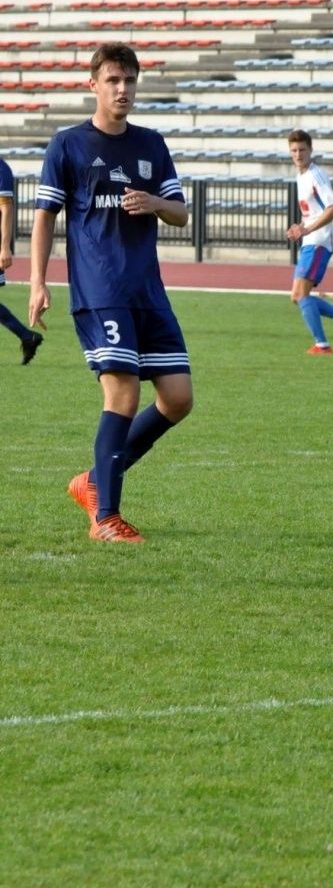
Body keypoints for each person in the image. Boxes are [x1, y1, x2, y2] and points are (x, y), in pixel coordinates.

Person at [29, 42, 195, 544]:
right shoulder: (68, 145)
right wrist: (38, 281)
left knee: (178, 399)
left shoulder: (151, 144)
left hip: (148, 289)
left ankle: (94, 483)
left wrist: (155, 202)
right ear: (94, 85)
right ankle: (106, 519)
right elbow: (44, 217)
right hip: (101, 290)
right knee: (123, 392)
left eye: (129, 81)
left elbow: (181, 213)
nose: (123, 90)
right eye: (113, 81)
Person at [286, 131, 333, 354]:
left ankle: (323, 345)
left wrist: (308, 229)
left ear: (311, 150)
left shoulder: (316, 175)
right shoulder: (300, 176)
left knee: (301, 295)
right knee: (297, 297)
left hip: (319, 240)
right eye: (294, 150)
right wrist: (301, 227)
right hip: (310, 238)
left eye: (302, 150)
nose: (298, 154)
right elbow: (314, 211)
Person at [0, 155, 45, 364]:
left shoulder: (2, 168)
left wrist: (4, 247)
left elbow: (6, 208)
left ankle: (27, 337)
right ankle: (27, 337)